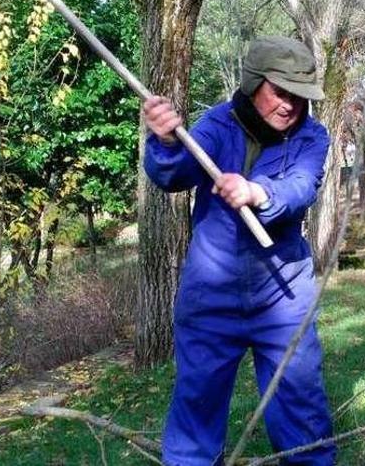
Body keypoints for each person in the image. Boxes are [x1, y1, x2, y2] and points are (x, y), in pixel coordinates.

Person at [142, 36, 335, 466]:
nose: (290, 105)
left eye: (300, 95)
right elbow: (172, 176)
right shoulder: (217, 124)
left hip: (283, 294)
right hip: (211, 297)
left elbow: (301, 188)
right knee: (197, 407)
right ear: (254, 83)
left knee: (301, 405)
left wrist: (257, 192)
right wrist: (168, 143)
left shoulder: (312, 137)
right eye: (280, 92)